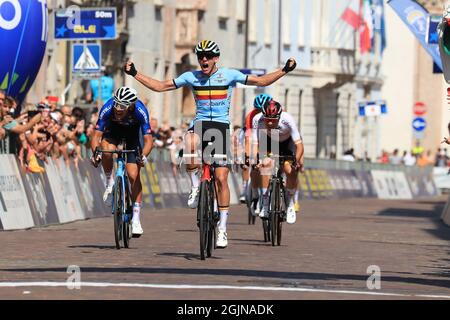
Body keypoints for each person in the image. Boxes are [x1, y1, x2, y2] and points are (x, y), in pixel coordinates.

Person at [124, 40, 297, 248]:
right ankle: (195, 186)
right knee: (189, 141)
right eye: (200, 56)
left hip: (221, 127)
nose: (203, 60)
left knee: (221, 178)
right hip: (201, 123)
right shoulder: (191, 77)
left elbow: (261, 82)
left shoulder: (229, 75)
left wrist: (285, 70)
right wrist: (135, 73)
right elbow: (161, 87)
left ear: (216, 58)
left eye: (207, 56)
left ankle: (222, 229)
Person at [90, 86, 154, 237]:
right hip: (113, 131)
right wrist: (95, 154)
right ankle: (109, 182)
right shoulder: (107, 108)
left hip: (133, 135)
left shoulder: (140, 110)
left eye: (123, 106)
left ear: (131, 105)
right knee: (106, 150)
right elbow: (96, 136)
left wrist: (143, 156)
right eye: (117, 104)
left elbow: (148, 140)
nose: (118, 109)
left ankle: (136, 219)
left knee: (133, 175)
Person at [251, 100, 304, 224]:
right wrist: (255, 160)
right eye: (267, 119)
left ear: (279, 117)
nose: (269, 122)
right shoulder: (257, 119)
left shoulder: (288, 119)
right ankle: (264, 202)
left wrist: (296, 161)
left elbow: (299, 145)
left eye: (273, 120)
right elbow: (254, 143)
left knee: (289, 170)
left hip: (287, 142)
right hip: (269, 139)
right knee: (265, 166)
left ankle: (290, 203)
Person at [241, 93, 273, 212]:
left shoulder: (278, 112)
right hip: (258, 138)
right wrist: (248, 156)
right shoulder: (252, 116)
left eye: (262, 109)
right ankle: (254, 195)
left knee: (273, 163)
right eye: (258, 109)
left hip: (273, 138)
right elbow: (250, 138)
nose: (261, 112)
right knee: (253, 165)